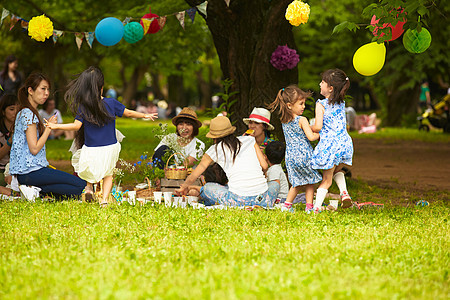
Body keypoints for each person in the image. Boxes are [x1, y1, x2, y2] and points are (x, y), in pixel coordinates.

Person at [46, 66, 158, 206]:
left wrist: (57, 126)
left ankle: (88, 189)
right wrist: (144, 115)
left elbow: (76, 126)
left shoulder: (84, 106)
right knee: (108, 174)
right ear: (102, 87)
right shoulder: (111, 103)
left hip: (91, 148)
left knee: (88, 171)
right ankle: (104, 201)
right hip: (110, 147)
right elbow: (128, 113)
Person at [9, 73, 86, 200]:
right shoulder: (28, 114)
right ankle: (36, 190)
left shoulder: (26, 112)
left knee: (74, 189)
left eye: (48, 89)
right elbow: (34, 149)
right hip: (31, 171)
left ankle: (38, 192)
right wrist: (49, 127)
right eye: (43, 88)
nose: (46, 93)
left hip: (29, 173)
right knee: (82, 185)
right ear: (30, 90)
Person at [175, 116, 279, 209]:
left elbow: (195, 174)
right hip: (262, 197)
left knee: (208, 187)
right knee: (275, 183)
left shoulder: (214, 150)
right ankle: (264, 203)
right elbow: (265, 166)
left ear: (214, 137)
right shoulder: (249, 140)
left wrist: (184, 187)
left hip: (237, 200)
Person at [268, 85, 322, 213]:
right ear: (289, 105)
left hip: (291, 157)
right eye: (301, 103)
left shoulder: (284, 121)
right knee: (310, 181)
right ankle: (309, 207)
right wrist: (321, 134)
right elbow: (311, 137)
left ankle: (287, 205)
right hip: (304, 155)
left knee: (296, 183)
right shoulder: (302, 119)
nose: (304, 106)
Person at [311, 69, 354, 211]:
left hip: (330, 146)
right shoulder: (341, 104)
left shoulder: (320, 104)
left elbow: (318, 127)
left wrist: (307, 126)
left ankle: (316, 208)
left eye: (322, 82)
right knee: (337, 171)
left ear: (330, 88)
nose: (319, 84)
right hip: (344, 144)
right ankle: (344, 192)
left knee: (326, 180)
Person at [0, 94, 18, 185]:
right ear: (3, 112)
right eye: (11, 109)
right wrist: (10, 141)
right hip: (2, 170)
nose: (15, 112)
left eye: (18, 109)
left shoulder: (23, 128)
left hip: (19, 170)